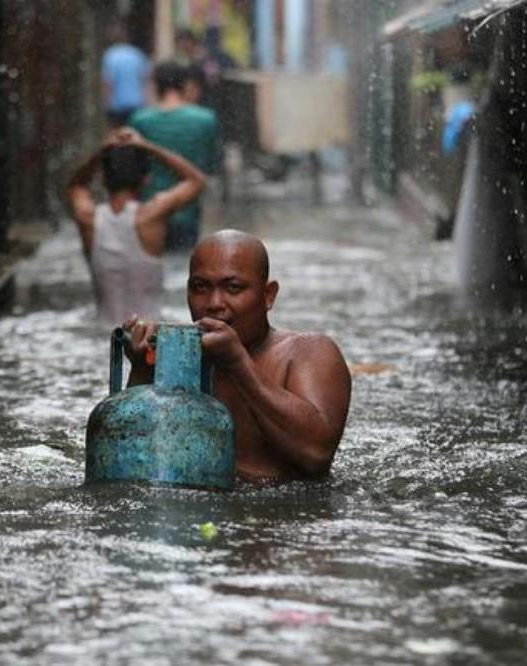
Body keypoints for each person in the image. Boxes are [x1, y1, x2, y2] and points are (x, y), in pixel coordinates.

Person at [123, 230, 352, 483]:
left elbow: (316, 455)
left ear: (268, 296)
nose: (214, 303)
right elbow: (132, 458)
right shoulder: (179, 357)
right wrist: (143, 369)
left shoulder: (307, 353)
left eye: (233, 288)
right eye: (200, 288)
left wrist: (239, 363)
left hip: (284, 515)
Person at [66, 128, 206, 326]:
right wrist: (148, 147)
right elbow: (196, 180)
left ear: (104, 180)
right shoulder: (151, 216)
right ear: (146, 179)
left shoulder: (88, 219)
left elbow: (76, 185)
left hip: (103, 335)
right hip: (149, 337)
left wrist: (102, 152)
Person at [130, 61, 219, 251]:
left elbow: (134, 170)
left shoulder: (140, 120)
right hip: (188, 211)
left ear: (155, 86)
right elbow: (211, 165)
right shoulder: (206, 120)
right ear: (185, 85)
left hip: (150, 213)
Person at [101, 23, 149, 127]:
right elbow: (145, 80)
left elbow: (108, 82)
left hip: (117, 106)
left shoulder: (110, 55)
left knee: (118, 137)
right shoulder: (137, 54)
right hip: (137, 104)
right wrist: (147, 102)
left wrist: (106, 103)